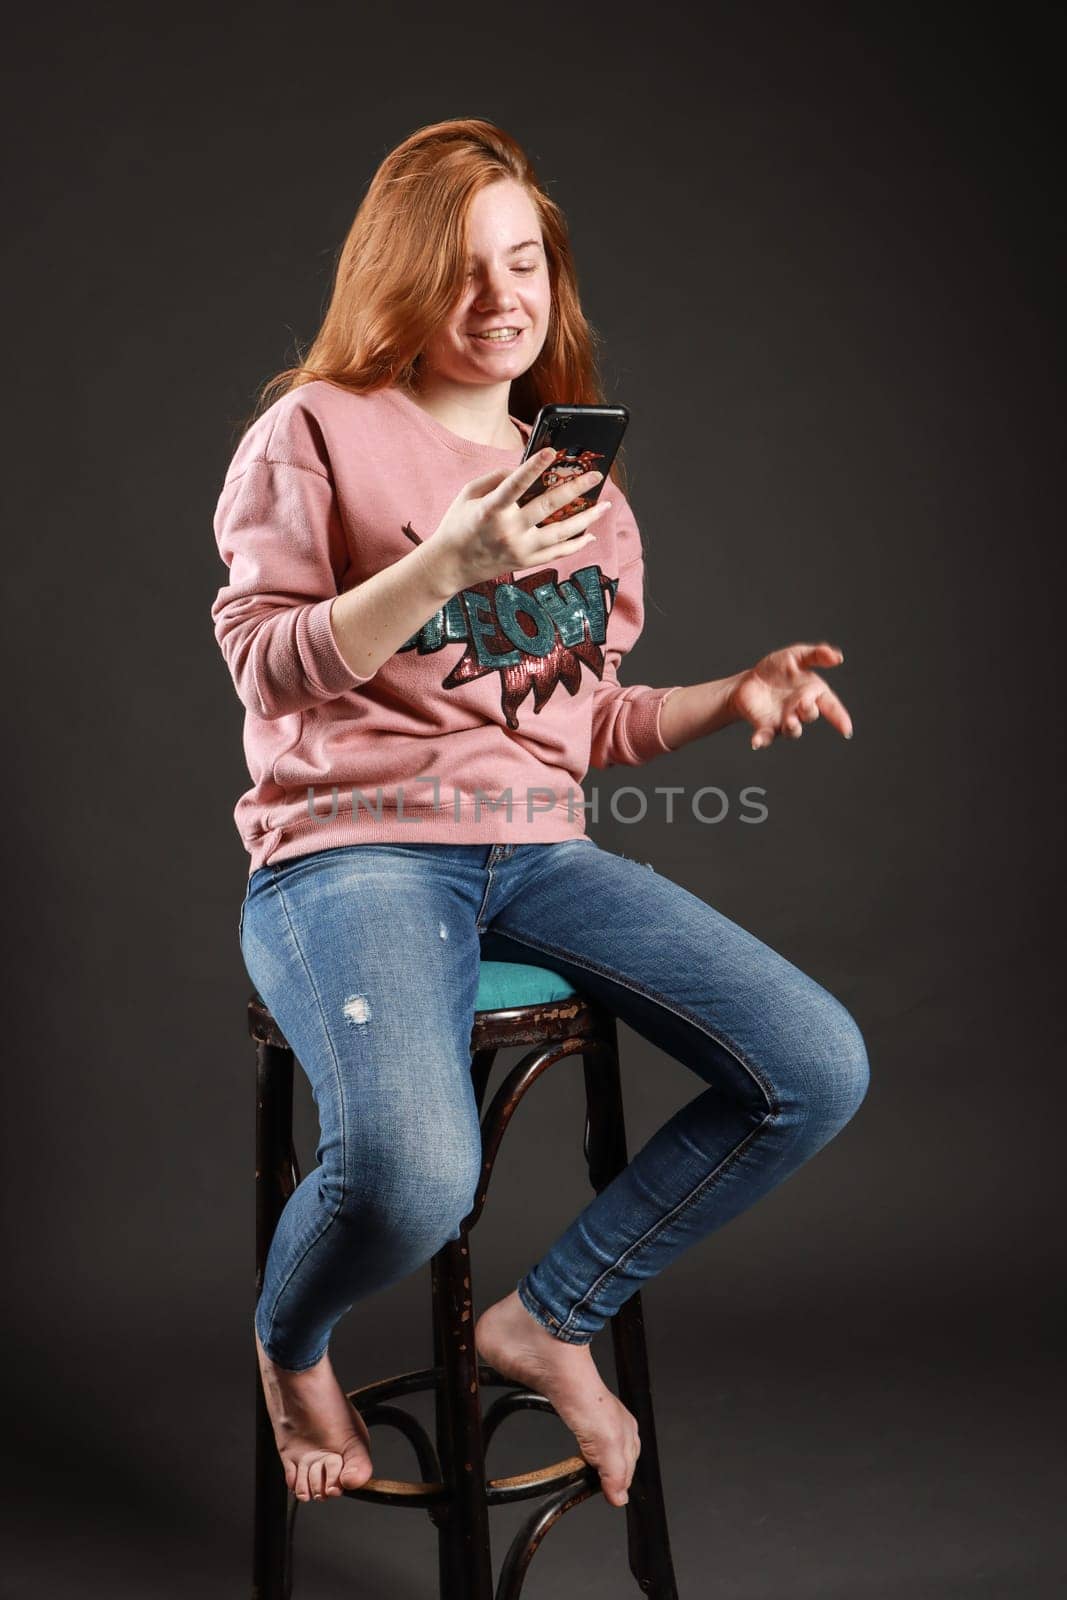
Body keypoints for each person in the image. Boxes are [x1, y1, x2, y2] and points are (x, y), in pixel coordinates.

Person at [212, 117, 870, 1513]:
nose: (501, 300)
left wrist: (726, 698)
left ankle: (550, 1316)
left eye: (525, 264)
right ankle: (288, 1339)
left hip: (538, 852)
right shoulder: (314, 431)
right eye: (461, 270)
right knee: (412, 1172)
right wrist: (448, 558)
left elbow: (579, 727)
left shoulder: (583, 494)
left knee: (815, 1063)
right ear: (399, 280)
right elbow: (265, 659)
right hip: (351, 852)